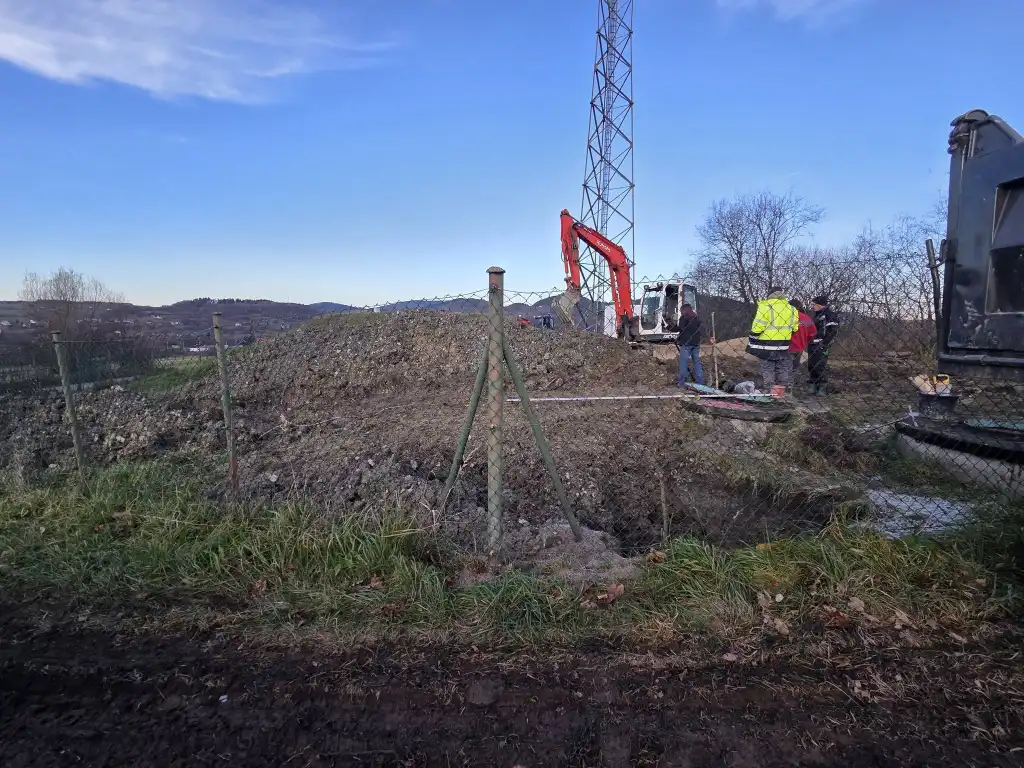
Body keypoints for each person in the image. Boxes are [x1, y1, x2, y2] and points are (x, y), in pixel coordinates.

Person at [746, 287, 799, 392]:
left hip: (766, 345)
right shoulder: (792, 309)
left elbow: (758, 327)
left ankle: (769, 391)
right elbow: (795, 328)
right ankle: (781, 391)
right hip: (783, 345)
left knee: (767, 368)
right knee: (782, 368)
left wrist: (752, 338)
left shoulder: (765, 307)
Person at [808, 294, 840, 396]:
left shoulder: (829, 315)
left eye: (814, 304)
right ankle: (813, 385)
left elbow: (832, 331)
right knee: (811, 365)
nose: (812, 306)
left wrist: (824, 344)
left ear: (820, 305)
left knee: (820, 366)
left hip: (821, 344)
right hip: (812, 343)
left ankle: (822, 387)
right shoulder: (816, 315)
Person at [788, 300, 818, 385]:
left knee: (782, 369)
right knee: (793, 368)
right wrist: (805, 341)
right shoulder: (806, 318)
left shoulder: (785, 317)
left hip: (785, 346)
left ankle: (780, 389)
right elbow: (813, 333)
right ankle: (789, 388)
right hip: (799, 347)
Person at [675, 303, 705, 386]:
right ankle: (700, 382)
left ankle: (681, 383)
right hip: (695, 343)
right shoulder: (696, 317)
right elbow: (701, 328)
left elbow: (680, 328)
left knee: (683, 363)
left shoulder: (683, 318)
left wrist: (669, 327)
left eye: (681, 311)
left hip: (686, 343)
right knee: (697, 362)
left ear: (684, 310)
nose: (681, 312)